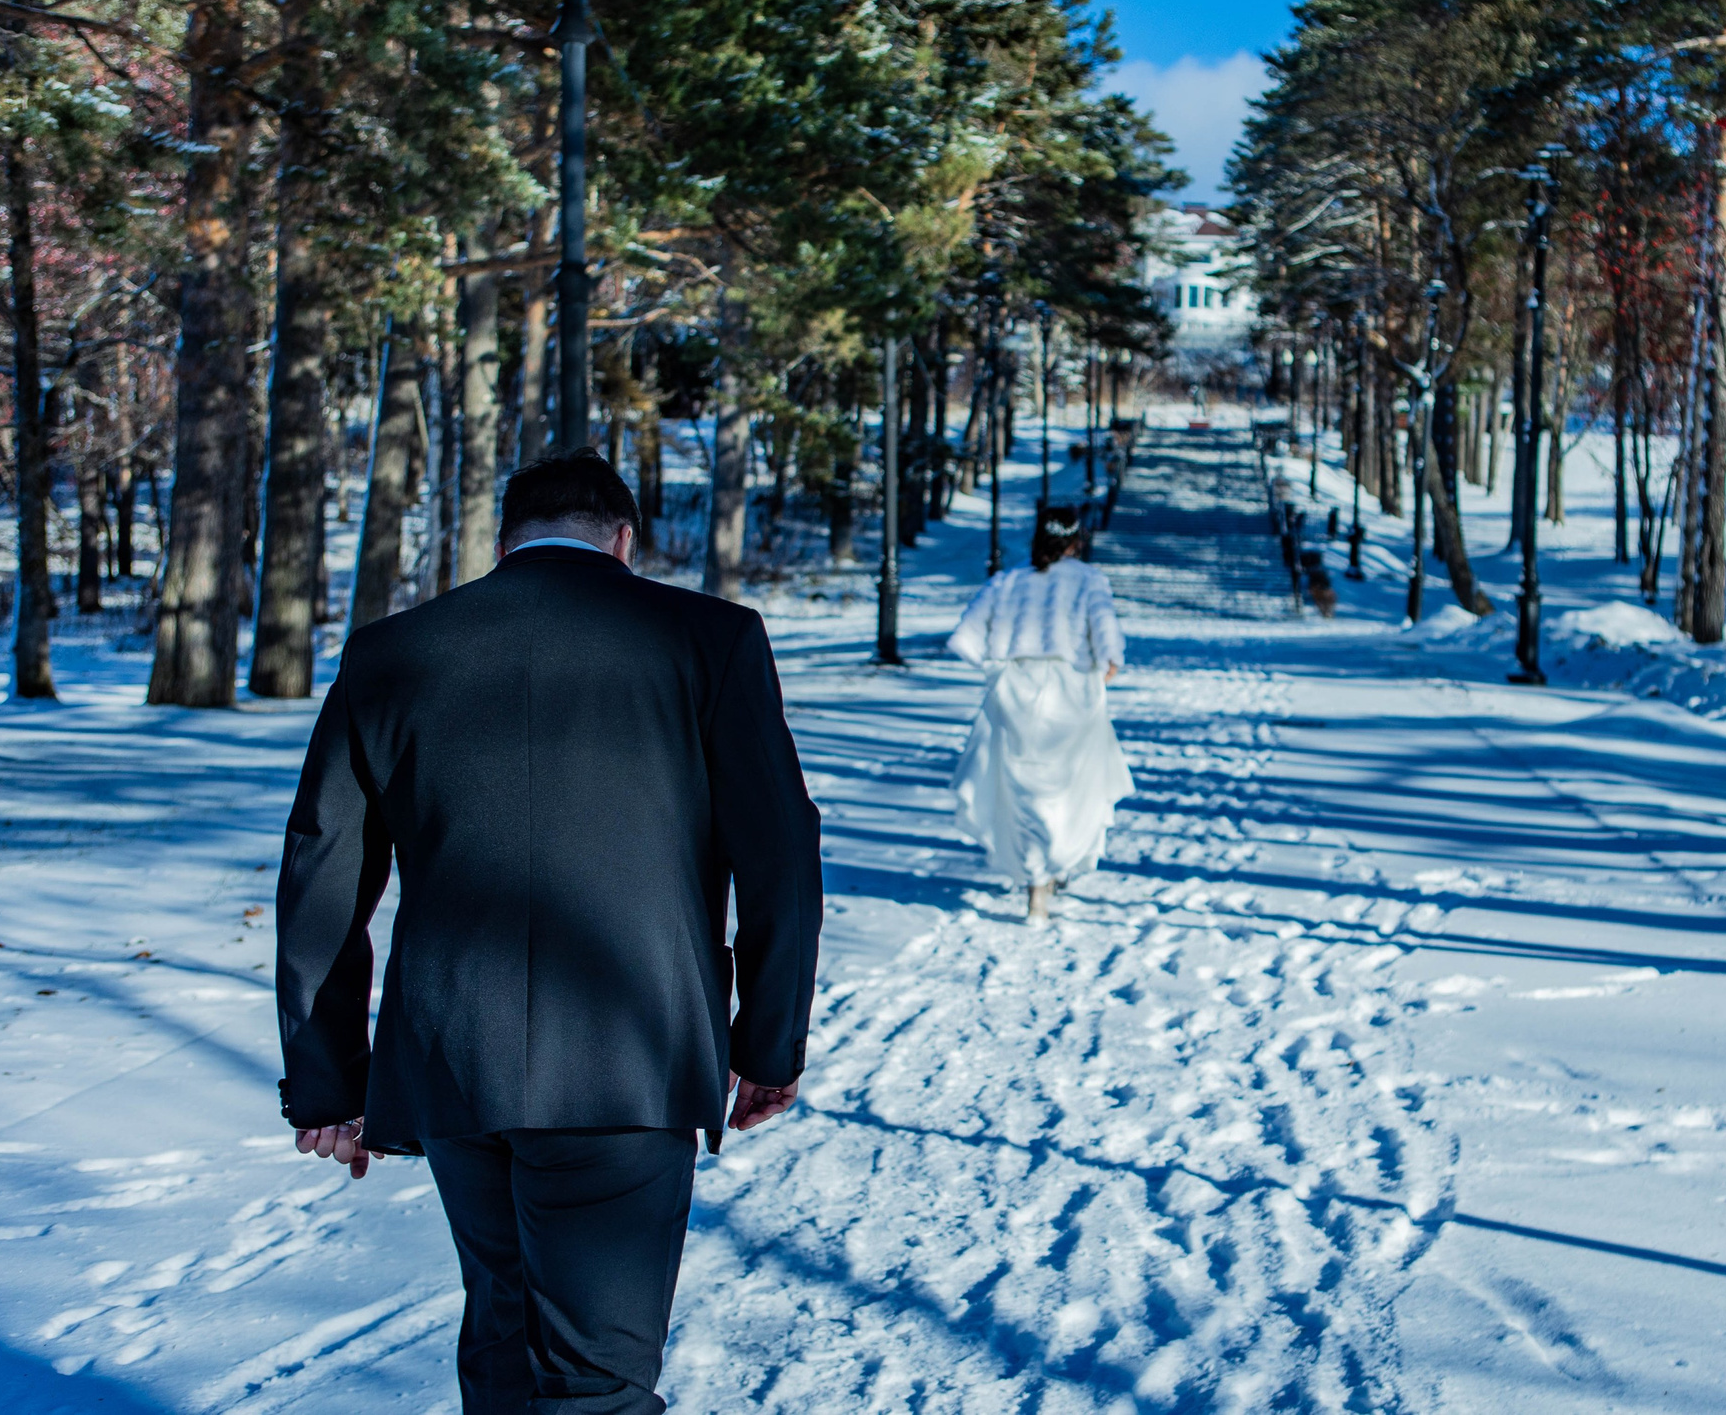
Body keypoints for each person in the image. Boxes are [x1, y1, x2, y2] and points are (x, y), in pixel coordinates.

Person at [274, 448, 822, 1415]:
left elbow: (323, 872)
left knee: (502, 1337)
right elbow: (779, 851)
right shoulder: (711, 638)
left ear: (503, 544)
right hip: (629, 1056)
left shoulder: (389, 650)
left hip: (453, 1060)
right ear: (624, 540)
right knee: (595, 1380)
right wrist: (767, 1044)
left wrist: (328, 1080)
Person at [948, 504, 1133, 921]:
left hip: (1015, 689)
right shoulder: (1089, 579)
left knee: (1022, 791)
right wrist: (1108, 666)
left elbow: (965, 636)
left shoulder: (1008, 580)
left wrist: (995, 668)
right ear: (1075, 539)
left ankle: (1036, 880)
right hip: (1072, 689)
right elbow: (1107, 637)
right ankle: (1054, 866)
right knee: (1072, 788)